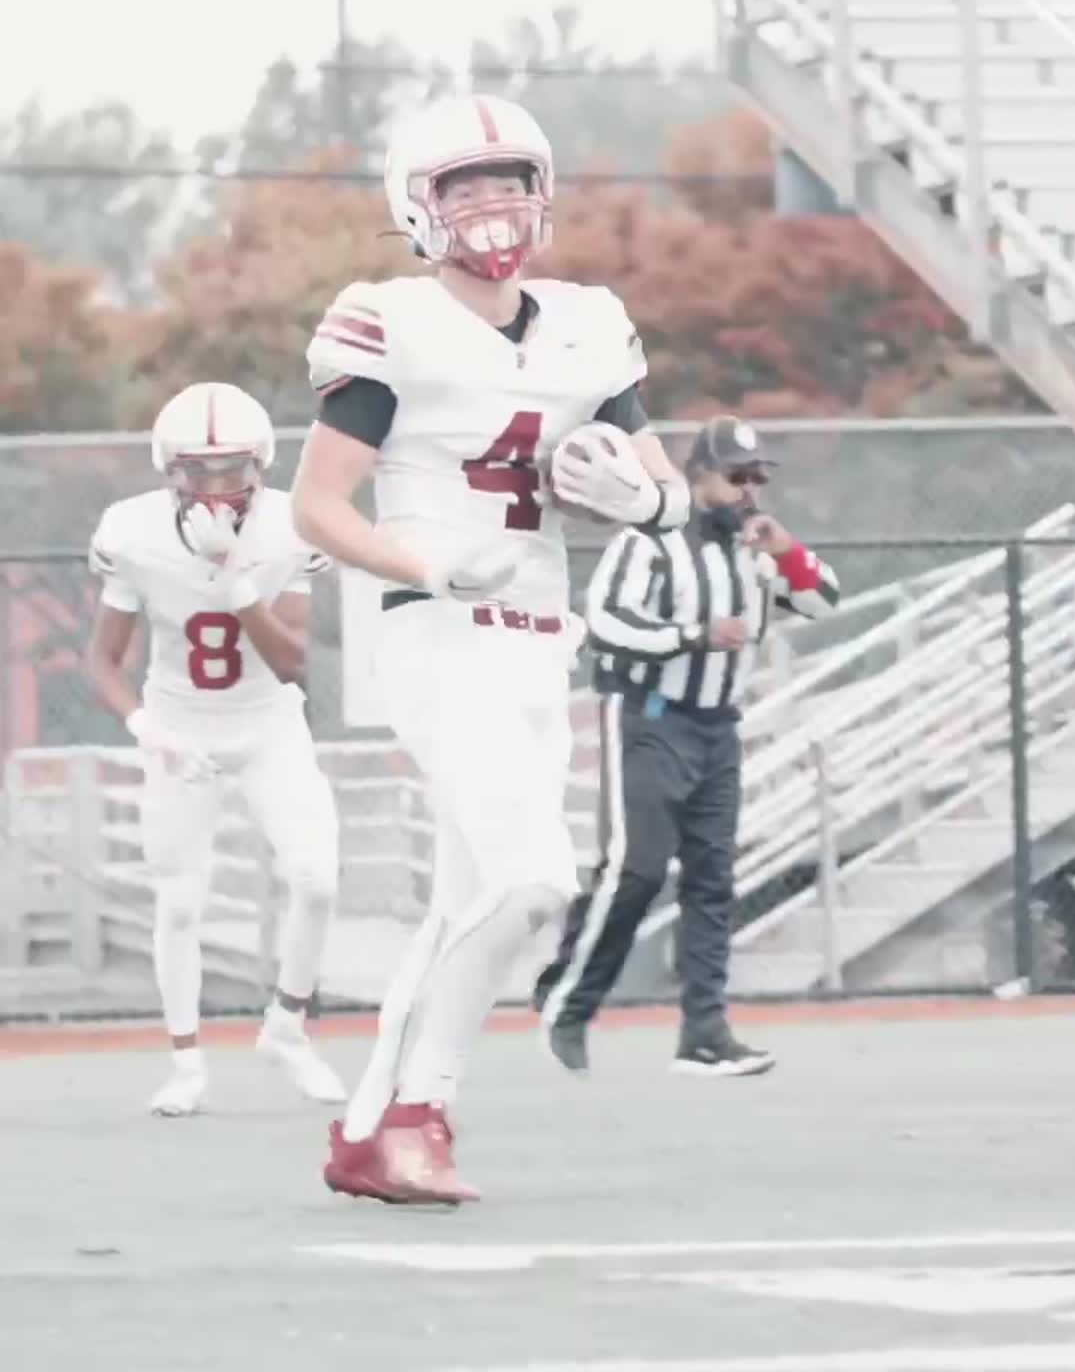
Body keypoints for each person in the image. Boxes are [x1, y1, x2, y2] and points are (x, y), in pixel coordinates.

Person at [291, 91, 689, 1205]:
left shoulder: (587, 322)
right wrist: (423, 565)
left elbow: (663, 484)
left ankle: (370, 1131)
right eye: (463, 189)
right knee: (534, 880)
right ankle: (423, 1113)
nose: (492, 210)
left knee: (464, 902)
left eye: (509, 184)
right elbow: (315, 507)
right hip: (430, 631)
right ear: (415, 208)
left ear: (544, 194)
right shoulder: (388, 318)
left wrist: (648, 508)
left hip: (533, 637)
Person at [534, 414, 839, 1078]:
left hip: (717, 726)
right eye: (737, 477)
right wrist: (694, 634)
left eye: (757, 478)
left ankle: (705, 1033)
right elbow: (607, 622)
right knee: (637, 869)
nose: (749, 491)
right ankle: (567, 1002)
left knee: (713, 879)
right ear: (700, 476)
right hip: (648, 716)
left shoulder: (754, 548)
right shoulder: (652, 539)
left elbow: (822, 600)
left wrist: (786, 551)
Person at [87, 381, 346, 1117]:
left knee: (317, 877)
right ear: (169, 470)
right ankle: (186, 1065)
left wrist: (235, 581)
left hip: (267, 723)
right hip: (179, 726)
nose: (215, 487)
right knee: (180, 901)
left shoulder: (288, 526)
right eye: (198, 471)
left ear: (259, 465)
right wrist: (148, 730)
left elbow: (294, 661)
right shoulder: (131, 532)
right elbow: (103, 662)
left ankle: (288, 1029)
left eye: (231, 469)